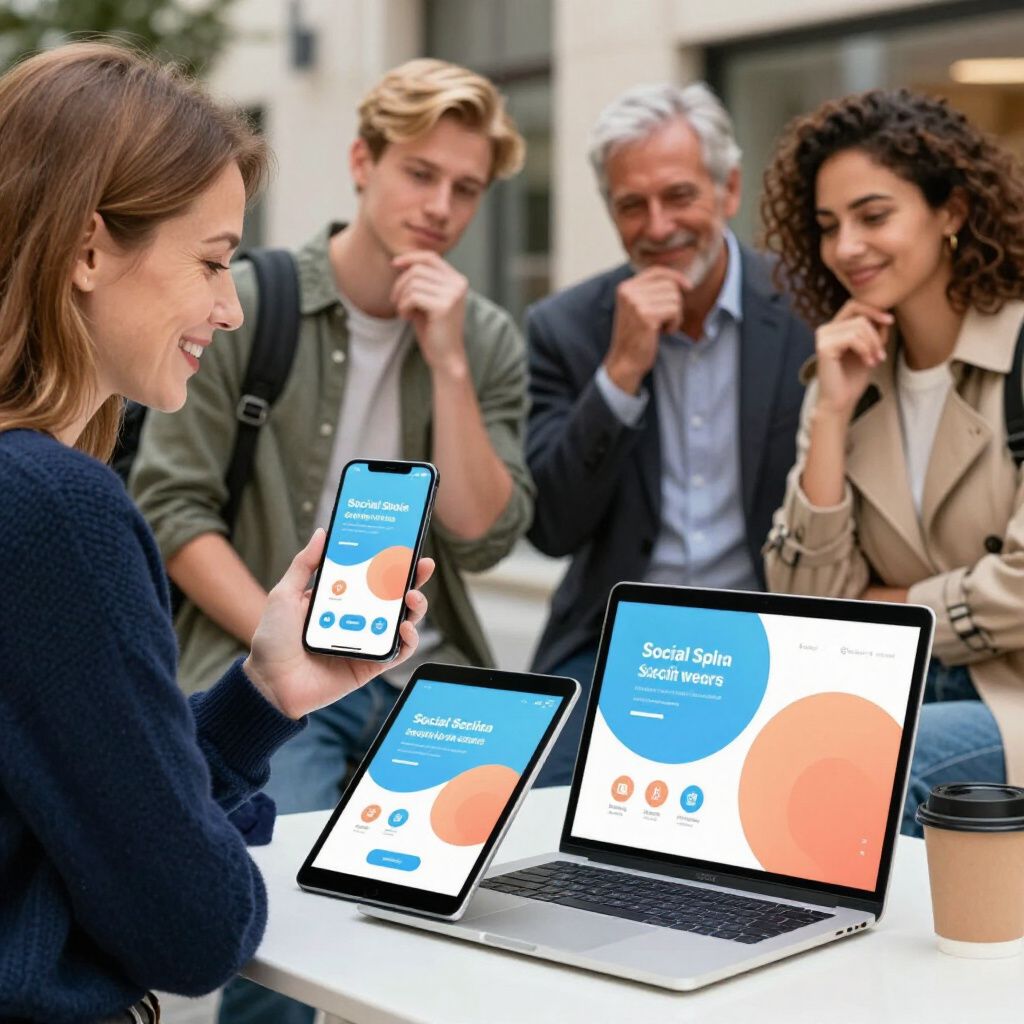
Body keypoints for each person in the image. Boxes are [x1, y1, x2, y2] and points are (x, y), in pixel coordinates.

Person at [0, 42, 434, 1024]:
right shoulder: (55, 509)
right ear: (87, 248)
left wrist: (266, 693)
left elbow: (77, 798)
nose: (230, 306)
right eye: (210, 260)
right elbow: (194, 924)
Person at [128, 58, 531, 1024]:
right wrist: (302, 651)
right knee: (282, 937)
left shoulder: (484, 338)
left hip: (429, 678)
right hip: (267, 672)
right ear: (363, 160)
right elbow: (177, 511)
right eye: (419, 173)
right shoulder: (249, 302)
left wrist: (448, 365)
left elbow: (483, 537)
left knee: (477, 936)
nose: (440, 205)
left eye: (465, 188)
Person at [525, 82, 814, 784]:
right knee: (538, 815)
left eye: (679, 195)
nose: (657, 227)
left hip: (775, 639)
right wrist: (620, 371)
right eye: (632, 205)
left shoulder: (810, 306)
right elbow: (551, 528)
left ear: (728, 189)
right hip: (614, 645)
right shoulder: (566, 327)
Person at [760, 89, 1024, 835]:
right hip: (893, 688)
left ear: (953, 212)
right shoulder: (848, 375)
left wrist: (882, 610)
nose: (846, 247)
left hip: (1010, 700)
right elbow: (807, 601)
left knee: (867, 776)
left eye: (874, 216)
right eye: (827, 226)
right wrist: (834, 413)